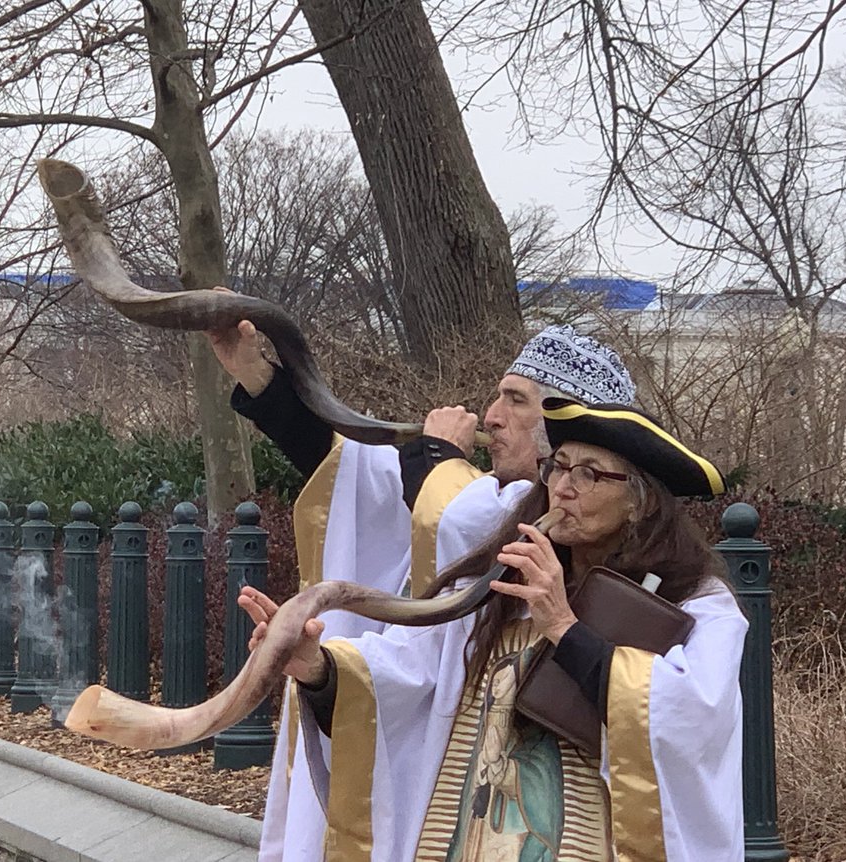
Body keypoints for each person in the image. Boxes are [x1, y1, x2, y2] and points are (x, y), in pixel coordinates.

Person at [209, 314, 637, 858]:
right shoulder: (472, 498)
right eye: (496, 399)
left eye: (516, 401)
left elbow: (462, 514)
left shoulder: (565, 533)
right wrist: (256, 374)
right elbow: (356, 475)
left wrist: (439, 456)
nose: (492, 416)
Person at [241, 398, 744, 861]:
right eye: (559, 466)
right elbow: (412, 672)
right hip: (466, 834)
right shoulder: (494, 584)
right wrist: (319, 668)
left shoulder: (697, 605)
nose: (563, 487)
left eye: (589, 474)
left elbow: (690, 716)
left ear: (640, 502)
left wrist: (566, 628)